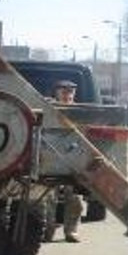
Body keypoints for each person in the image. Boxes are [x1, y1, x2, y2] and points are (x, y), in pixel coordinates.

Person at [45, 80, 84, 242]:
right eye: (64, 91)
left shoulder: (80, 111)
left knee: (74, 197)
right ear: (57, 92)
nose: (68, 95)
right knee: (47, 196)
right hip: (50, 156)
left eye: (71, 92)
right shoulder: (48, 107)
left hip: (72, 157)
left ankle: (71, 231)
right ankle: (46, 231)